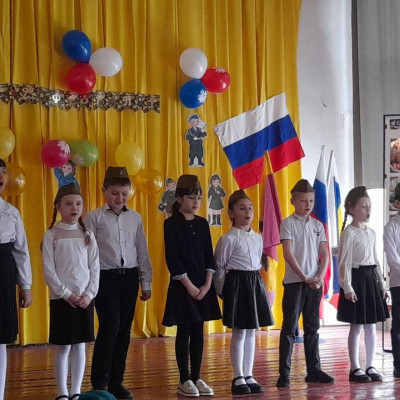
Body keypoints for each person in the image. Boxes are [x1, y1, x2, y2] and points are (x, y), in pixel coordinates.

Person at [85, 167, 153, 400]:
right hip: (105, 278)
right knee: (109, 328)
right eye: (114, 193)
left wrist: (145, 281)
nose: (119, 198)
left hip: (129, 277)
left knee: (124, 331)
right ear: (104, 190)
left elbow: (141, 250)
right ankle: (99, 382)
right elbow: (87, 254)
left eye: (124, 194)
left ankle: (116, 382)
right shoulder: (93, 218)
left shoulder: (135, 218)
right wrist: (88, 285)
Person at [162, 174, 221, 397]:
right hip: (183, 285)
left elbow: (208, 256)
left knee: (198, 330)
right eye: (191, 197)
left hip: (202, 285)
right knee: (184, 330)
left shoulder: (203, 223)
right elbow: (173, 258)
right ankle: (184, 379)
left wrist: (206, 285)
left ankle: (196, 376)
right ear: (179, 198)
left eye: (199, 197)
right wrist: (190, 286)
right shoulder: (171, 224)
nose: (196, 202)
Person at [41, 183, 99, 400]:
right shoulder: (51, 235)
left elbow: (95, 268)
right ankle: (62, 392)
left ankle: (76, 391)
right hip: (61, 300)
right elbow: (49, 271)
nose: (74, 208)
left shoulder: (88, 235)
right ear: (58, 207)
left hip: (84, 299)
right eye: (68, 204)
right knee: (63, 347)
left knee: (80, 346)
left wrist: (88, 294)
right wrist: (66, 294)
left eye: (78, 204)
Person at [214, 189, 274, 395]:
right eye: (242, 208)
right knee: (239, 331)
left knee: (251, 331)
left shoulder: (257, 238)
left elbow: (257, 262)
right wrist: (222, 291)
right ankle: (238, 375)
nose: (247, 212)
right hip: (237, 285)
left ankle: (249, 374)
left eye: (250, 208)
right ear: (231, 213)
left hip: (254, 283)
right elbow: (219, 267)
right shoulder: (228, 239)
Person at [276, 179, 334, 388]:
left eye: (310, 200)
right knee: (289, 327)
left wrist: (319, 276)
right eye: (302, 200)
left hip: (314, 284)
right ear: (293, 201)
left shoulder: (317, 225)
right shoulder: (288, 223)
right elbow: (288, 254)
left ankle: (314, 370)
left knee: (312, 327)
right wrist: (304, 277)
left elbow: (324, 254)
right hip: (295, 282)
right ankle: (284, 374)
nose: (307, 204)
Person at [338, 186, 389, 383]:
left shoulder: (371, 233)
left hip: (370, 280)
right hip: (356, 280)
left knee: (371, 326)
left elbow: (375, 259)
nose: (368, 210)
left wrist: (382, 285)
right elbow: (344, 262)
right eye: (363, 206)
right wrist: (347, 286)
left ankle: (370, 365)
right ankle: (355, 368)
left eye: (369, 206)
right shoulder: (349, 233)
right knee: (357, 326)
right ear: (351, 209)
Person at [0, 158, 32, 400]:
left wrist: (26, 285)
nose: (0, 178)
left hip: (3, 275)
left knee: (0, 340)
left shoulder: (11, 212)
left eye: (3, 173)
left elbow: (21, 251)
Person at [384, 183, 400, 378]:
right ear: (397, 204)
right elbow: (393, 258)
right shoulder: (391, 228)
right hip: (398, 282)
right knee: (398, 323)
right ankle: (398, 364)